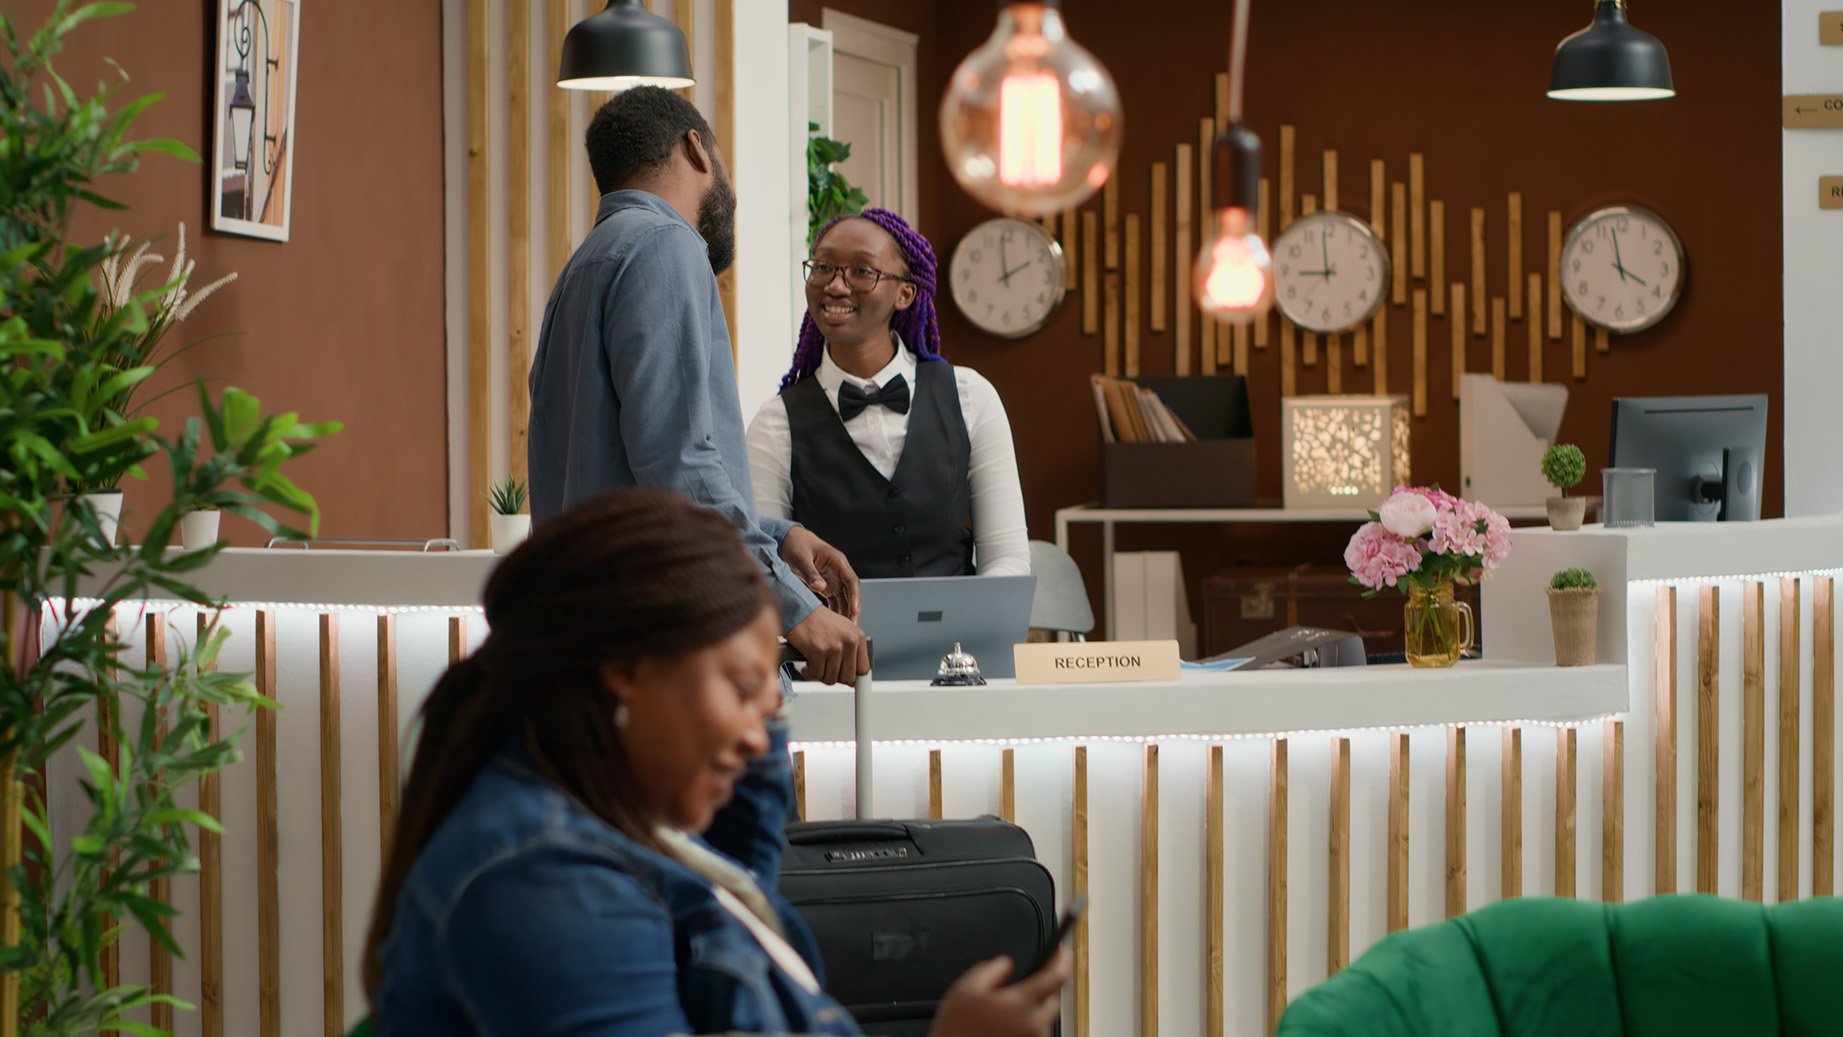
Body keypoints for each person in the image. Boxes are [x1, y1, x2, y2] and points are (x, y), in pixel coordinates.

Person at [363, 487, 1071, 1036]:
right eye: (739, 686)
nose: (762, 731)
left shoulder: (637, 824)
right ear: (624, 669)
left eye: (770, 692)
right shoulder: (545, 883)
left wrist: (757, 620)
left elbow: (748, 853)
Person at [527, 85, 866, 684]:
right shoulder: (665, 245)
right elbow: (680, 462)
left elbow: (626, 477)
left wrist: (776, 536)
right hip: (679, 657)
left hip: (592, 652)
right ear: (696, 149)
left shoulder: (581, 270)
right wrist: (791, 603)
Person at [746, 208, 1029, 579]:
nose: (835, 285)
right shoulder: (775, 423)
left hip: (955, 637)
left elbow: (1007, 558)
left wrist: (971, 625)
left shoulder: (972, 397)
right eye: (823, 267)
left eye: (862, 271)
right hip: (835, 636)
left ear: (905, 293)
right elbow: (767, 569)